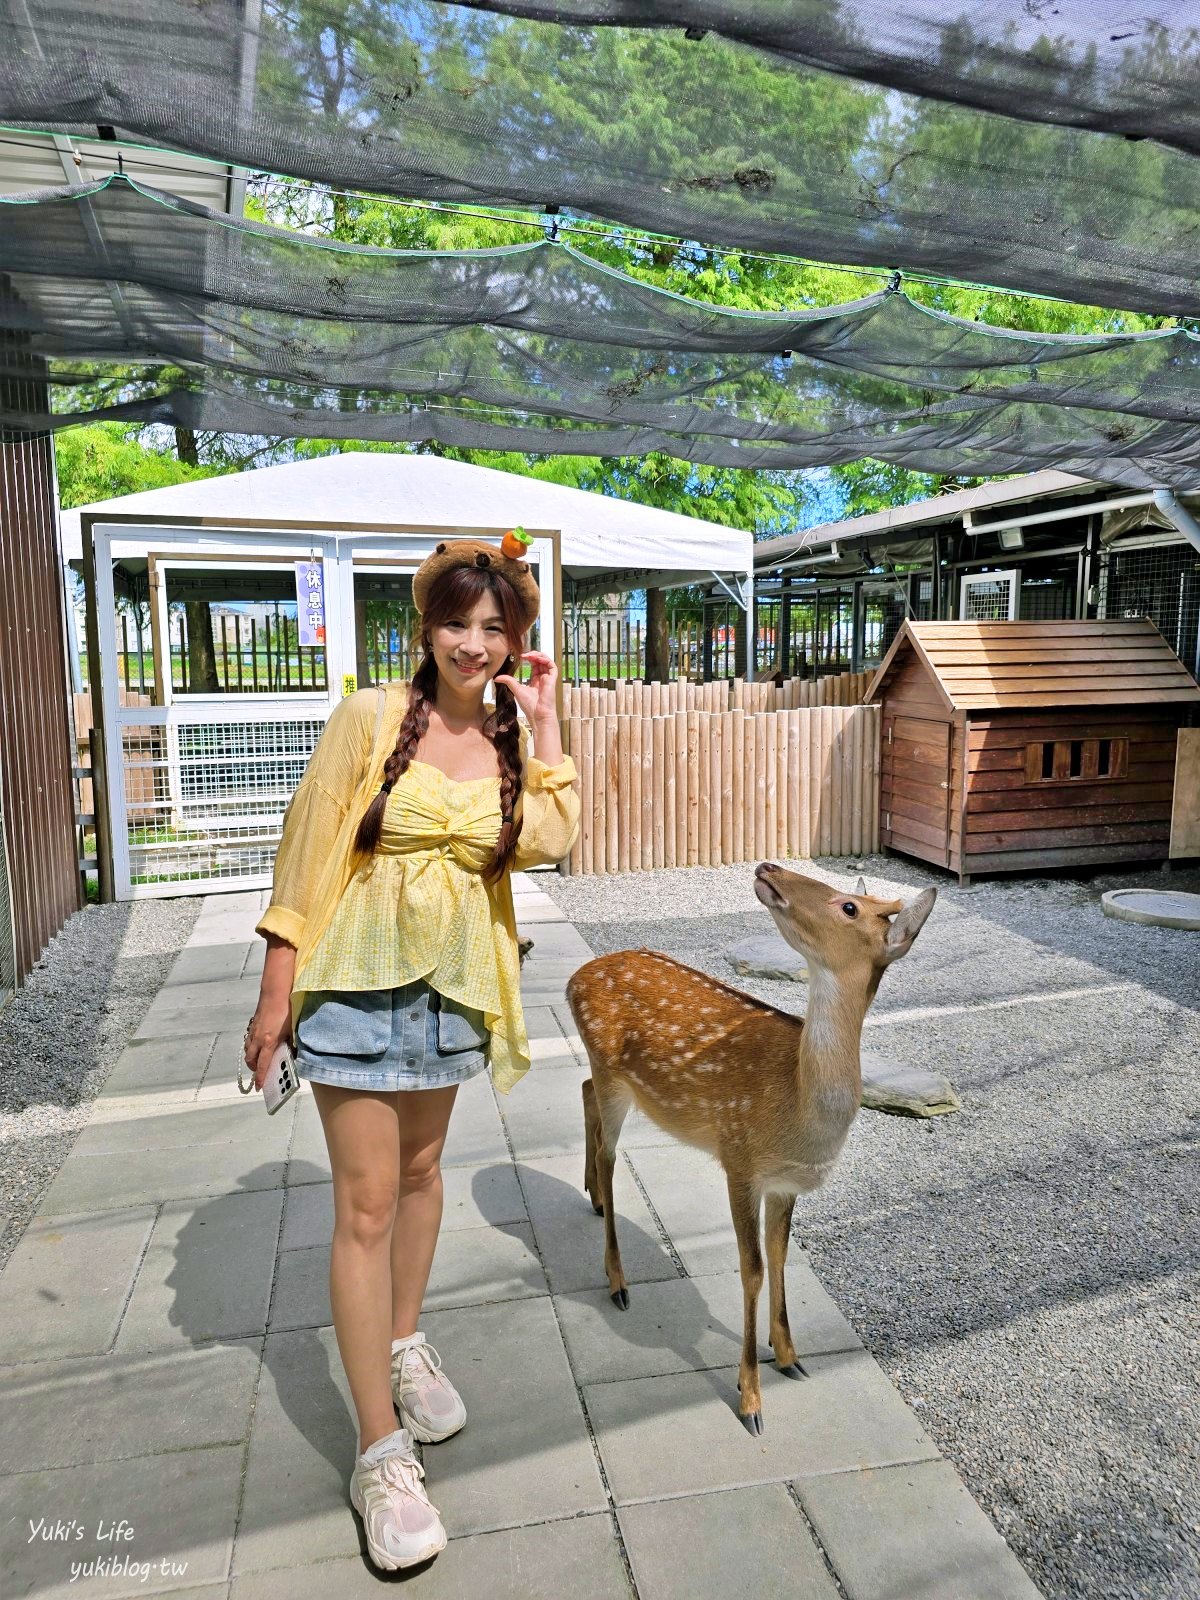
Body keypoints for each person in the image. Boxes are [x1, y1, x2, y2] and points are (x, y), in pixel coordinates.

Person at [243, 538, 581, 1571]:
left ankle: (400, 1344)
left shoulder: (515, 734)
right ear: (424, 625)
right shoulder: (369, 719)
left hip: (451, 997)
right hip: (351, 990)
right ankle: (378, 1453)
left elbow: (554, 838)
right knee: (365, 1207)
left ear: (516, 643)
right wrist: (273, 995)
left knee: (427, 1175)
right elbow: (305, 847)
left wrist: (551, 714)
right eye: (457, 623)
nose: (473, 645)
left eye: (496, 630)